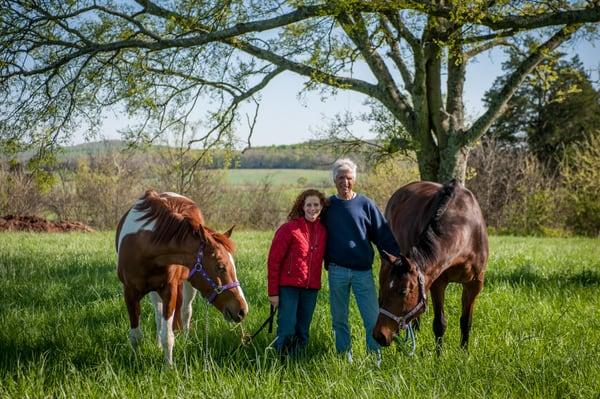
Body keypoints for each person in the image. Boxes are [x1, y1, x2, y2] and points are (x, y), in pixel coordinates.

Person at [324, 158, 401, 365]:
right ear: (334, 180)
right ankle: (343, 356)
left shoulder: (365, 204)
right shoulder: (328, 206)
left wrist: (397, 260)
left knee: (372, 318)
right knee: (339, 319)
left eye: (349, 178)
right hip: (337, 271)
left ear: (354, 180)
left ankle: (374, 357)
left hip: (362, 272)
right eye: (341, 178)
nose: (345, 182)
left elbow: (382, 234)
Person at [267, 189, 328, 355]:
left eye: (316, 205)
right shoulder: (289, 229)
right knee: (287, 328)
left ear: (322, 207)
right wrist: (273, 293)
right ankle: (280, 363)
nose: (312, 208)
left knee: (303, 331)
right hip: (289, 288)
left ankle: (297, 364)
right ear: (302, 206)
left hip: (311, 288)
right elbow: (274, 261)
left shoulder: (324, 231)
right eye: (308, 205)